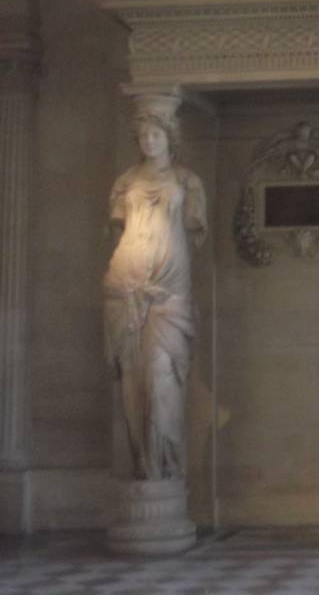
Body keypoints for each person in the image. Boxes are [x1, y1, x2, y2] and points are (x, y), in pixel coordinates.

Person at [104, 97, 207, 481]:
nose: (149, 141)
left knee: (161, 377)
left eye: (156, 134)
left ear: (169, 138)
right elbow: (116, 232)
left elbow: (194, 233)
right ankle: (144, 467)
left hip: (169, 289)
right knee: (132, 379)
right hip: (125, 284)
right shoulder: (125, 183)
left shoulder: (187, 182)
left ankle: (165, 465)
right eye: (144, 135)